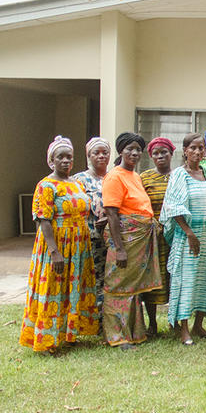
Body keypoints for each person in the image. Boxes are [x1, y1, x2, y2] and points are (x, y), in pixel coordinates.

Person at [20, 136, 99, 353]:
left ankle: (69, 333)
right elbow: (43, 219)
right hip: (57, 244)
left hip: (79, 244)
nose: (65, 161)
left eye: (69, 157)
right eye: (60, 157)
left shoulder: (76, 183)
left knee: (73, 289)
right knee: (53, 289)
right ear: (51, 161)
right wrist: (54, 251)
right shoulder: (46, 185)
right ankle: (47, 340)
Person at [102, 132, 162, 350]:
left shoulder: (135, 176)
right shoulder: (115, 177)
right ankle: (117, 336)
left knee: (133, 287)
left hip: (140, 239)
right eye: (130, 149)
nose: (135, 153)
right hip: (125, 239)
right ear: (121, 151)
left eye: (138, 149)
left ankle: (135, 332)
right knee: (118, 285)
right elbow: (111, 214)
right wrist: (119, 249)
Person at [160, 133, 206, 345]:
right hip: (188, 236)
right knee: (186, 280)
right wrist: (189, 233)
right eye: (193, 148)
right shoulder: (179, 175)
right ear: (185, 150)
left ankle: (198, 325)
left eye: (201, 148)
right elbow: (173, 205)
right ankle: (183, 327)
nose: (197, 152)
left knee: (204, 279)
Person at [139, 137, 175, 336]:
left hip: (176, 235)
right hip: (152, 237)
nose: (160, 156)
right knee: (153, 279)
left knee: (175, 278)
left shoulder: (179, 175)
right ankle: (152, 324)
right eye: (156, 153)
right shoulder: (144, 178)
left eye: (164, 152)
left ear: (172, 154)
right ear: (151, 156)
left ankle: (176, 322)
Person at [74, 137, 110, 317]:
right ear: (89, 155)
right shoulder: (79, 180)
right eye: (97, 153)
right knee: (89, 278)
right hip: (89, 237)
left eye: (105, 153)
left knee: (107, 279)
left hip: (111, 239)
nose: (101, 156)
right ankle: (89, 319)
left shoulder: (113, 177)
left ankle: (105, 320)